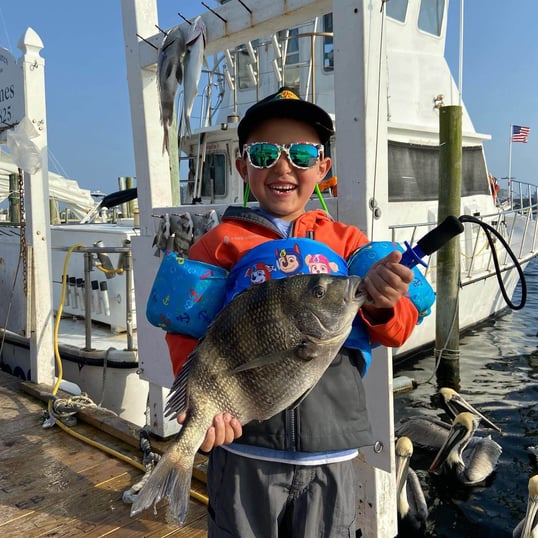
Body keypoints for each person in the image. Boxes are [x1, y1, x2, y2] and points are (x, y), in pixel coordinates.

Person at [165, 87, 419, 537]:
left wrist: (384, 301)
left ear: (323, 167)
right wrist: (198, 414)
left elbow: (395, 332)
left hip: (331, 450)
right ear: (244, 167)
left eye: (302, 153)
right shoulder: (216, 243)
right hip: (245, 449)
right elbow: (189, 337)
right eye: (265, 153)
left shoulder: (349, 243)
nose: (284, 167)